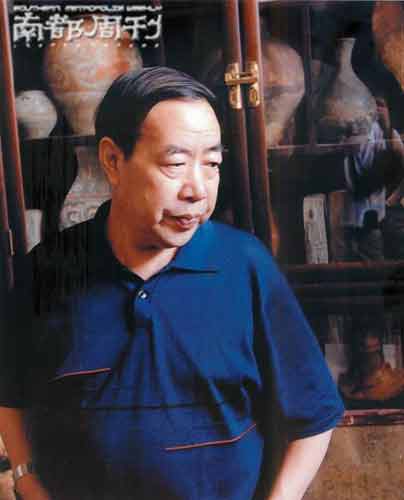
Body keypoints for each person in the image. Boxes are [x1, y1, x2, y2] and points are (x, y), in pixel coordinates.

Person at [0, 67, 344, 500]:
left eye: (212, 164)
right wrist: (26, 476)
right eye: (176, 164)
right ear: (112, 160)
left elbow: (314, 417)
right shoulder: (48, 269)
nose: (197, 189)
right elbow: (10, 390)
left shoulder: (244, 266)